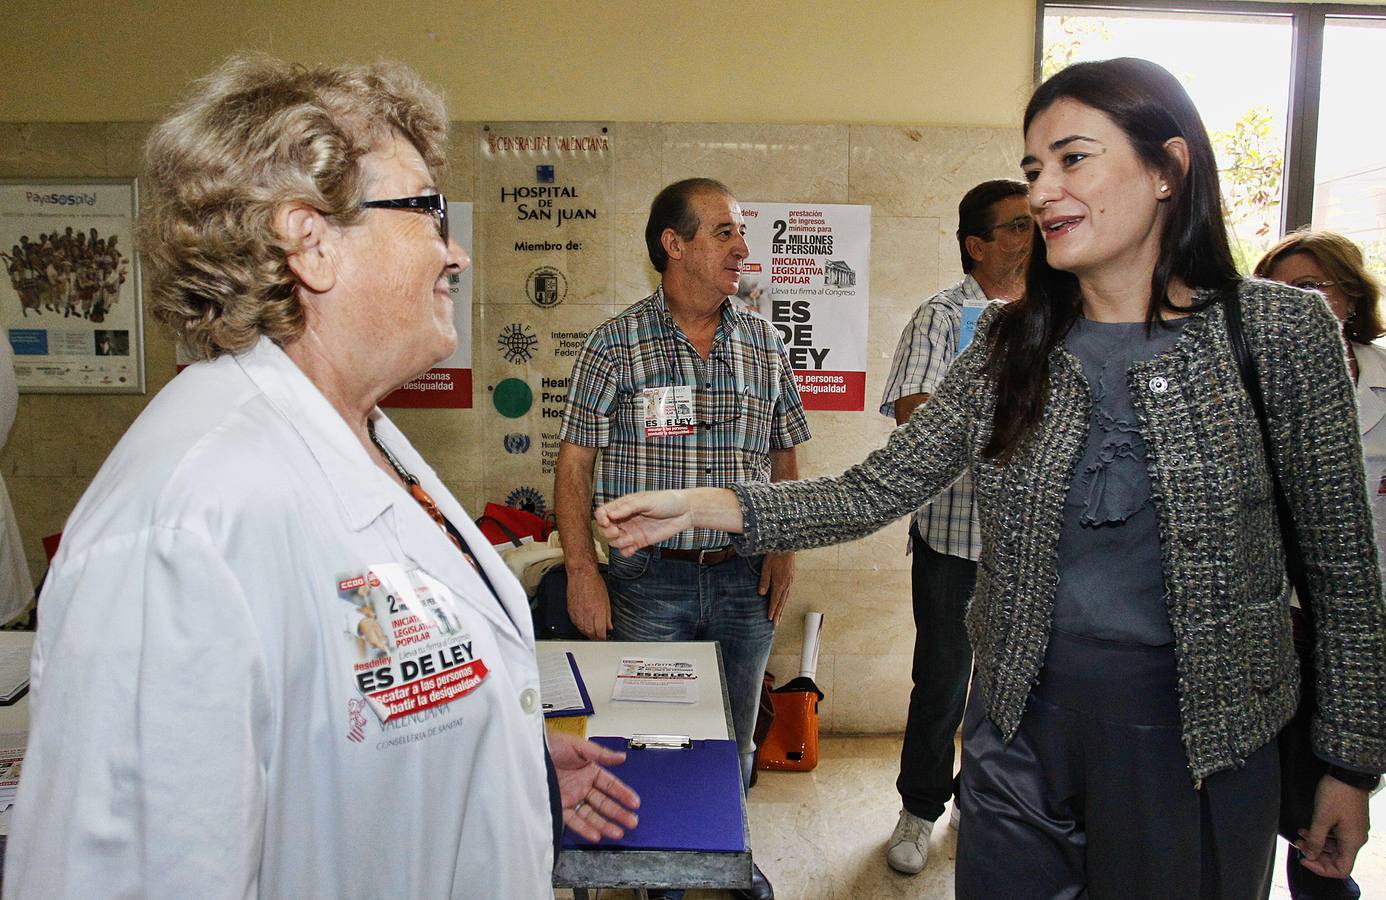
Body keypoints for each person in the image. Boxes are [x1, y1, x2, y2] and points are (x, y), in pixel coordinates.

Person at [595, 58, 1386, 899]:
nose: (1043, 192)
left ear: (1168, 168)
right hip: (1020, 740)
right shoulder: (1013, 344)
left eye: (1072, 159)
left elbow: (1341, 571)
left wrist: (1348, 762)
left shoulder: (1280, 333)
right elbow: (870, 489)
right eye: (1034, 168)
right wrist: (702, 505)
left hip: (1200, 749)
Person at [4, 55, 638, 899]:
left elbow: (360, 706)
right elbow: (133, 874)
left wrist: (495, 755)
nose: (454, 253)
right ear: (310, 242)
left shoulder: (357, 431)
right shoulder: (182, 525)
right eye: (426, 212)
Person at [555, 177, 811, 900]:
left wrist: (785, 549)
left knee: (732, 734)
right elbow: (574, 466)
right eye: (725, 231)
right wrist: (582, 569)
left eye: (740, 232)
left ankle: (729, 855)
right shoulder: (615, 344)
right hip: (649, 579)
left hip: (742, 574)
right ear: (675, 244)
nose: (741, 247)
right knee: (654, 734)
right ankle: (661, 870)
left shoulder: (762, 340)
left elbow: (786, 454)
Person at [880, 178, 1031, 875]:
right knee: (942, 680)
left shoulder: (1057, 313)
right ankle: (919, 810)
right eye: (1017, 228)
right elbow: (913, 410)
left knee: (1015, 685)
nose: (1033, 238)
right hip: (954, 537)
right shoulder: (942, 315)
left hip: (1029, 544)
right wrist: (998, 419)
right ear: (977, 244)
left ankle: (987, 803)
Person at [1255, 229, 1386, 900]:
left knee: (1340, 785)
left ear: (1351, 296)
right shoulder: (1251, 388)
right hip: (1281, 620)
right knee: (1293, 793)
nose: (1291, 304)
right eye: (1275, 289)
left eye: (1308, 288)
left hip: (1362, 619)